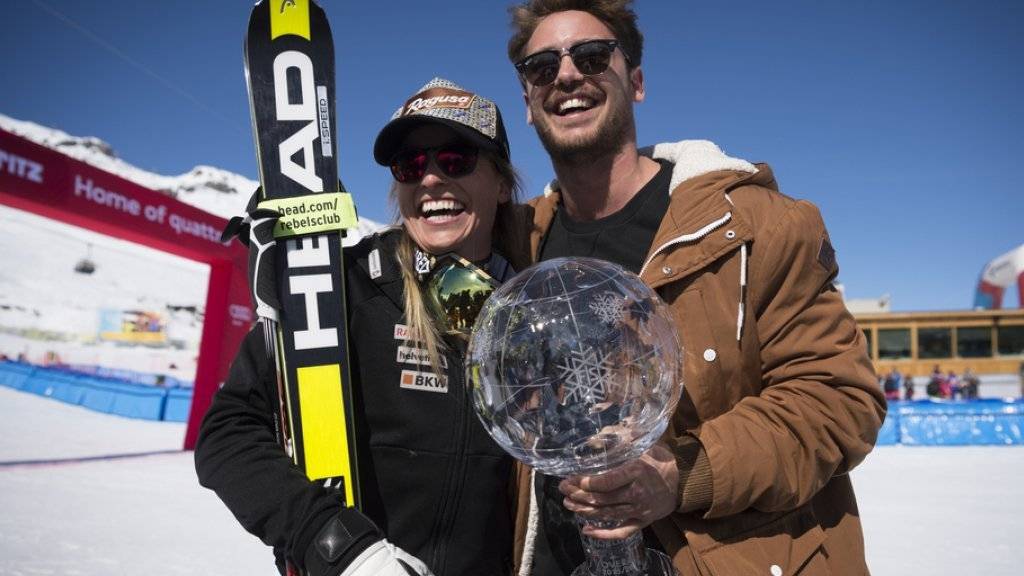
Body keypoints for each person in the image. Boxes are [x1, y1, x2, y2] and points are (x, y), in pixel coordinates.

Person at [504, 1, 887, 574]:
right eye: (542, 67)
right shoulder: (518, 239)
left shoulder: (755, 225)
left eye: (591, 56)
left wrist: (683, 473)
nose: (566, 76)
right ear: (529, 104)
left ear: (635, 81)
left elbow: (838, 400)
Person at [195, 78, 530, 576]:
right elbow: (226, 432)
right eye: (411, 165)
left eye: (455, 158)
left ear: (501, 184)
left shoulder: (521, 314)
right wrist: (336, 544)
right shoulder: (342, 287)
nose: (431, 179)